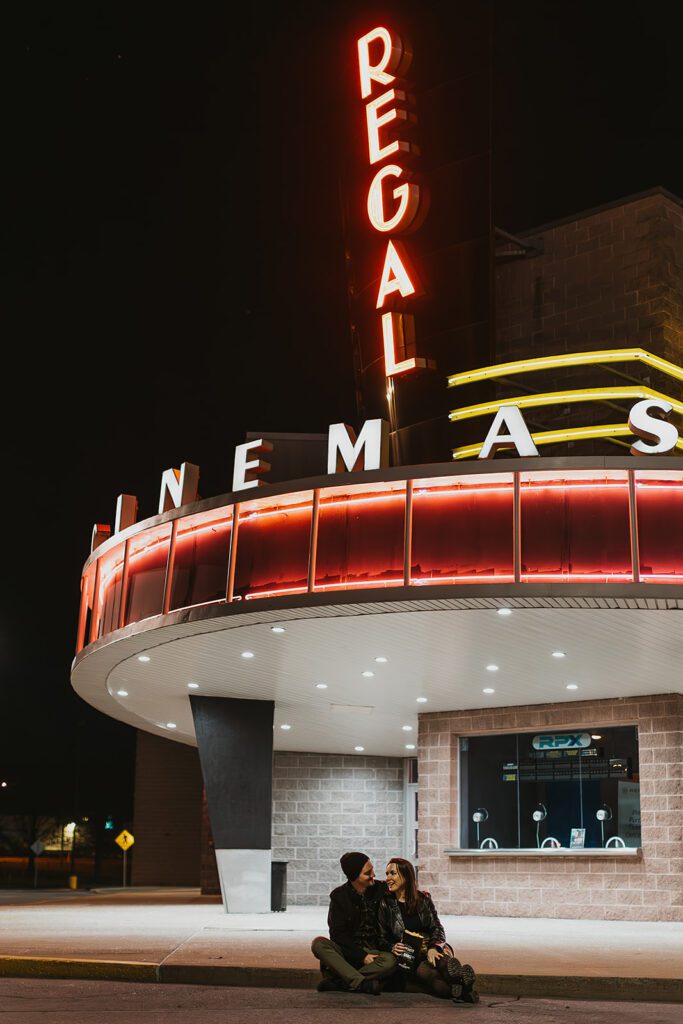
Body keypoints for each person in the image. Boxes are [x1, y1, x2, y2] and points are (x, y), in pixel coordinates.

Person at [376, 857, 479, 1004]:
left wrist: (434, 947)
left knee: (442, 961)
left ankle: (458, 982)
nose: (388, 878)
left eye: (392, 873)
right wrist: (391, 946)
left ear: (406, 876)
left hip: (428, 950)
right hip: (408, 957)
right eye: (387, 874)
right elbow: (380, 937)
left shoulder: (423, 899)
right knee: (434, 981)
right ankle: (465, 990)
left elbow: (436, 927)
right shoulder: (386, 904)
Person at [311, 851, 397, 995]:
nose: (373, 875)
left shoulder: (381, 890)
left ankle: (341, 981)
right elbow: (337, 935)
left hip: (375, 951)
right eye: (368, 873)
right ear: (354, 876)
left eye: (372, 870)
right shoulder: (339, 896)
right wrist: (361, 956)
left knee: (390, 960)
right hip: (348, 951)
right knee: (318, 944)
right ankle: (361, 983)